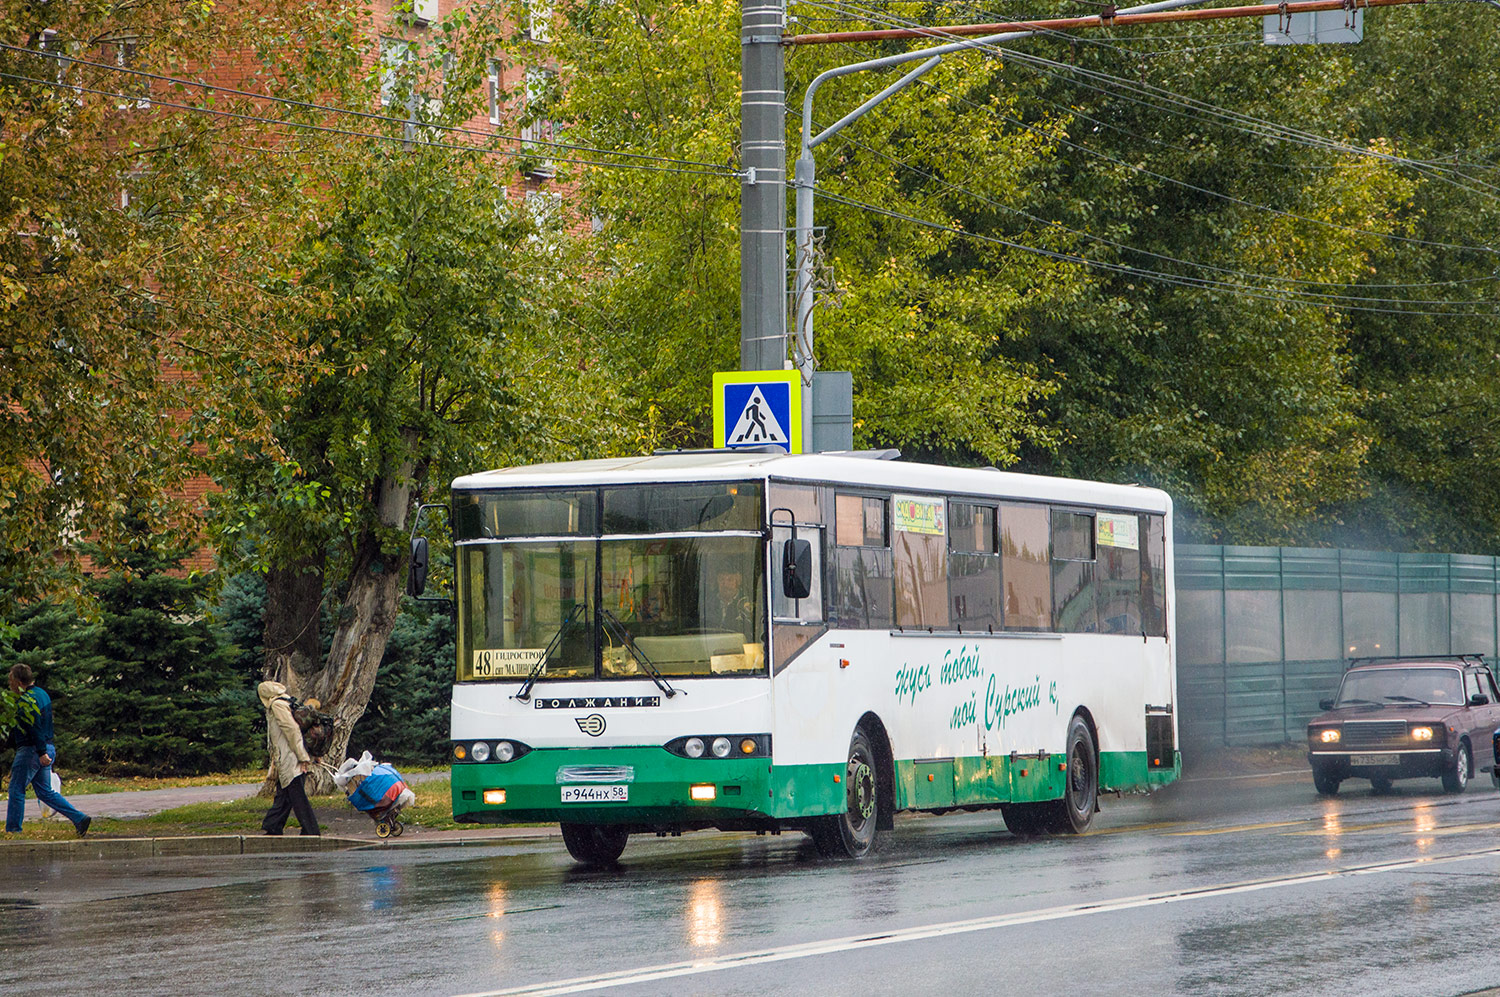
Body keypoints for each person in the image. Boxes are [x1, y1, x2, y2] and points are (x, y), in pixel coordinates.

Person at [6, 664, 90, 836]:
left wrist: (41, 752)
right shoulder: (42, 694)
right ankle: (79, 818)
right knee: (45, 791)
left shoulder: (26, 700)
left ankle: (13, 830)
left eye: (11, 680)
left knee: (16, 789)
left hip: (32, 750)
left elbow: (34, 727)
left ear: (18, 681)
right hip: (47, 747)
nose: (9, 684)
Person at [257, 680, 321, 836]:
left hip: (290, 756)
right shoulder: (287, 701)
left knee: (297, 796)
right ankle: (273, 826)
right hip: (291, 755)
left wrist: (302, 756)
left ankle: (311, 830)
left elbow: (291, 730)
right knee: (284, 793)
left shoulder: (277, 705)